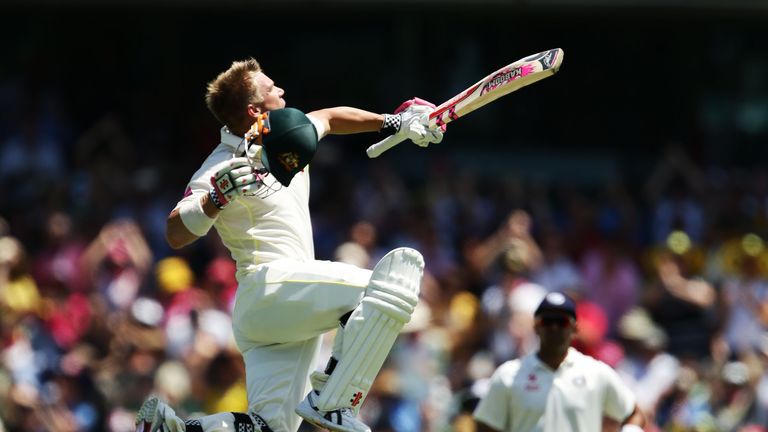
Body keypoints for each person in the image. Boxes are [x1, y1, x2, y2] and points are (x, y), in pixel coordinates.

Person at [134, 58, 444, 432]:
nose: (281, 91)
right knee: (392, 283)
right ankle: (336, 403)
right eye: (271, 88)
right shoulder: (220, 165)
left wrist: (396, 122)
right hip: (270, 287)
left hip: (282, 311)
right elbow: (175, 233)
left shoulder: (288, 131)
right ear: (254, 109)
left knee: (270, 426)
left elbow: (328, 118)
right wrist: (214, 200)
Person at [473, 291, 646, 432]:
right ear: (536, 326)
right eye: (547, 321)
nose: (554, 328)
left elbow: (633, 414)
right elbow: (486, 425)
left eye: (561, 321)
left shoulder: (596, 373)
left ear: (575, 328)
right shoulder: (508, 375)